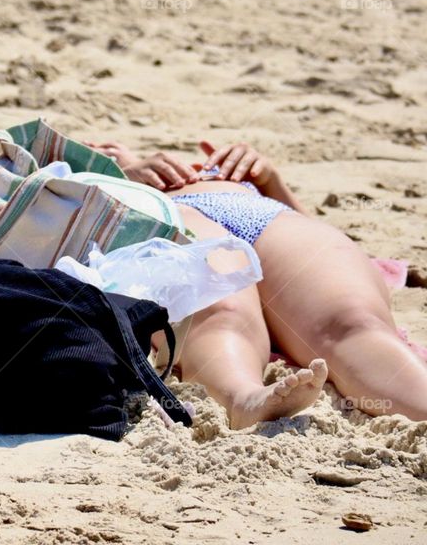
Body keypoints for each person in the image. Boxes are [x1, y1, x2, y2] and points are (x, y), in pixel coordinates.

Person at [87, 138, 427, 428]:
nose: (105, 150)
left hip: (263, 214)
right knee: (222, 312)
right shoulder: (94, 182)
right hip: (174, 217)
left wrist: (269, 179)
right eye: (88, 149)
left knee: (352, 319)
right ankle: (244, 399)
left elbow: (312, 225)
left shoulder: (220, 174)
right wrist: (110, 179)